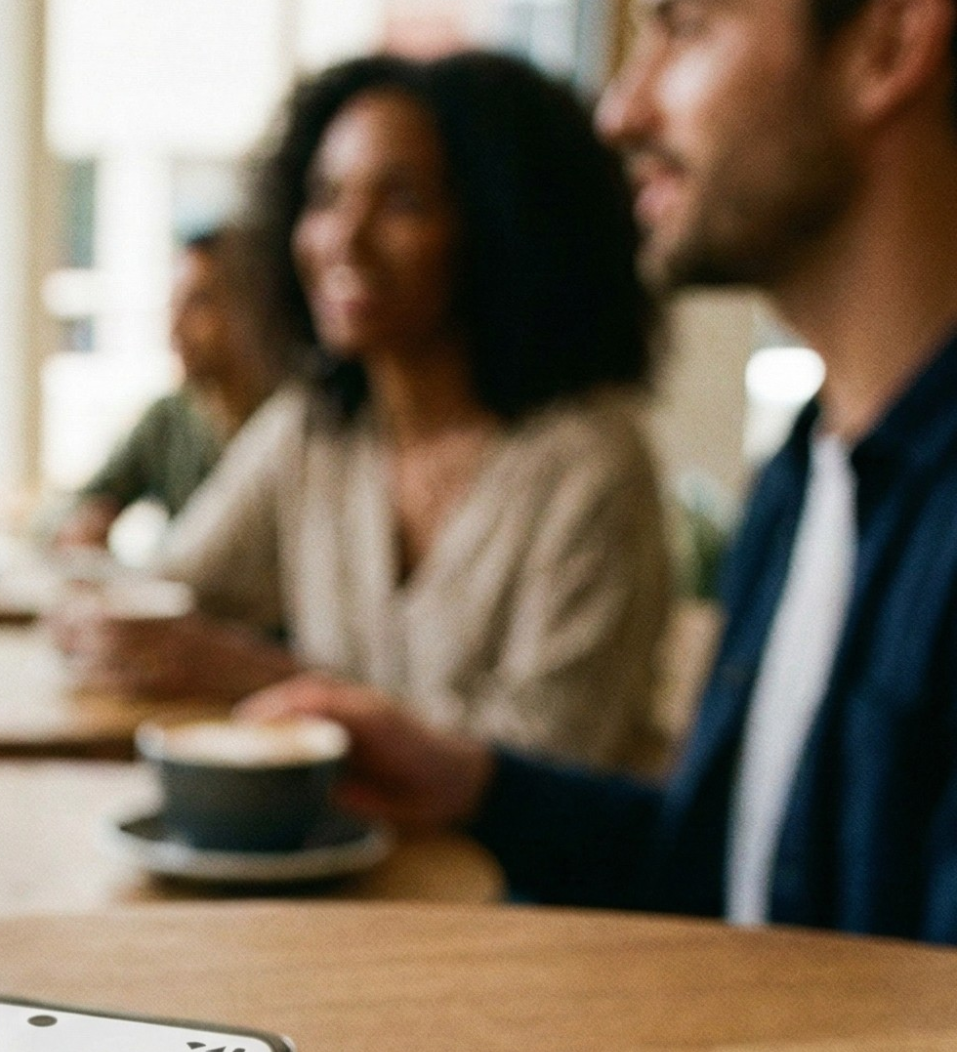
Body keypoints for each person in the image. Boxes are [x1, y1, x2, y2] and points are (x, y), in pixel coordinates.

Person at [245, 0, 957, 942]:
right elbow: (722, 877)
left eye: (685, 27)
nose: (621, 112)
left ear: (886, 48)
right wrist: (471, 780)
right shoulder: (805, 475)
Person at [64, 50, 671, 769]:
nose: (342, 239)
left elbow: (551, 760)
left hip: (517, 883)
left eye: (403, 202)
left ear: (501, 225)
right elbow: (173, 591)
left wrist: (264, 676)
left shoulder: (589, 463)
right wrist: (107, 618)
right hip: (348, 862)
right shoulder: (315, 432)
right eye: (324, 197)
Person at [55, 227, 276, 550]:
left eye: (199, 303)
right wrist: (83, 520)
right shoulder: (169, 419)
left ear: (252, 309)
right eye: (174, 304)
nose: (175, 327)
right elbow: (79, 504)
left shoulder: (291, 424)